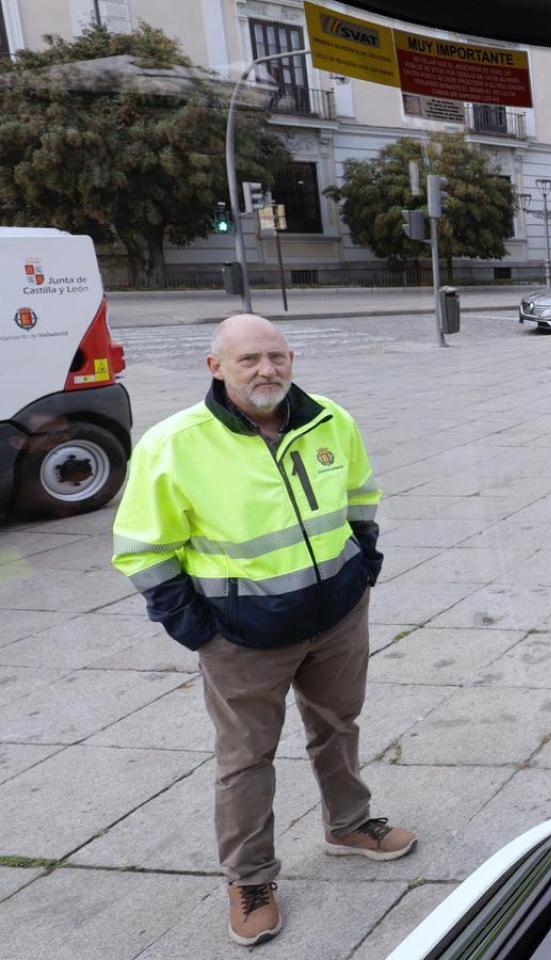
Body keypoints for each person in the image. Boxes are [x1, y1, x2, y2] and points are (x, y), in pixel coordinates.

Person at [110, 314, 413, 948]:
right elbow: (143, 549)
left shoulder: (331, 419)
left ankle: (348, 825)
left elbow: (361, 496)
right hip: (241, 638)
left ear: (293, 358)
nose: (266, 370)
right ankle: (249, 878)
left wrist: (364, 567)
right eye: (248, 359)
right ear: (215, 367)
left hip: (336, 618)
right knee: (245, 759)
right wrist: (199, 632)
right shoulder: (174, 443)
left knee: (338, 726)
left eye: (276, 356)